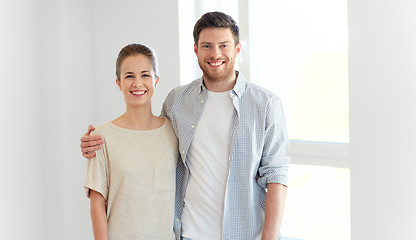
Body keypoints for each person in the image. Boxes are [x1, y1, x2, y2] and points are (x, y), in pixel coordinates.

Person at [81, 12, 289, 240]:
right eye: (207, 46)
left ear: (237, 49)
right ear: (196, 50)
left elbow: (277, 176)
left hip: (245, 234)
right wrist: (98, 142)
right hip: (188, 234)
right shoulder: (177, 101)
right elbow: (149, 138)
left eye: (224, 45)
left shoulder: (266, 105)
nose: (215, 54)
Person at [83, 43, 178, 240]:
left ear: (156, 80)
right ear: (118, 83)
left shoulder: (174, 132)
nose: (137, 83)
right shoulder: (101, 136)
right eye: (129, 76)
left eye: (145, 75)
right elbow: (97, 201)